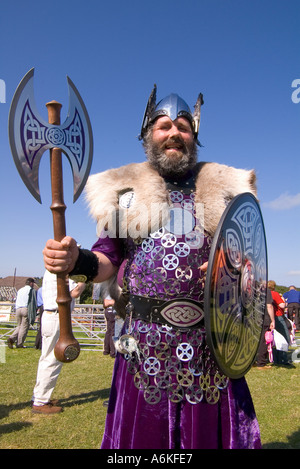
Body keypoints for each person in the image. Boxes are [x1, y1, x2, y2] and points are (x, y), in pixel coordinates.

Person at [42, 87, 261, 448]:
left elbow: (251, 262)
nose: (174, 132)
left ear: (194, 137)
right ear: (148, 135)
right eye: (163, 126)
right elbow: (107, 260)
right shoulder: (125, 192)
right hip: (145, 347)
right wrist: (75, 260)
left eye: (183, 127)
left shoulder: (227, 190)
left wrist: (233, 269)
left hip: (212, 345)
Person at [31, 270, 85, 414]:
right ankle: (41, 401)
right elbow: (75, 292)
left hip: (50, 315)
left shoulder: (50, 270)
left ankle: (39, 396)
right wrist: (84, 279)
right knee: (53, 359)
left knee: (46, 358)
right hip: (57, 316)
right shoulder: (62, 270)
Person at [7, 278, 37, 349]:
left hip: (18, 309)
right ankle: (19, 344)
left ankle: (12, 338)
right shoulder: (31, 290)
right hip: (25, 309)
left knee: (19, 326)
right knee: (24, 327)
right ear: (31, 283)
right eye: (33, 283)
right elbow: (33, 301)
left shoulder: (20, 290)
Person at [268, 280, 290, 366]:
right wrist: (284, 302)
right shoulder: (274, 293)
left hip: (268, 318)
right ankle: (283, 359)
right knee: (284, 337)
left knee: (272, 339)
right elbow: (282, 305)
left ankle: (274, 359)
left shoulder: (265, 294)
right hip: (277, 317)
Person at [255, 287, 275, 369]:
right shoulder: (266, 290)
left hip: (252, 318)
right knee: (263, 341)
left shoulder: (251, 288)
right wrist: (273, 320)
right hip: (263, 318)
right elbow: (269, 306)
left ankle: (251, 362)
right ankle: (261, 363)